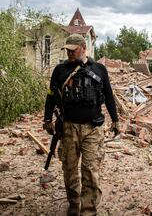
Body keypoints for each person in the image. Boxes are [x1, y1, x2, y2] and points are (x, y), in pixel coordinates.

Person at [43, 33, 119, 216]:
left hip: (93, 128)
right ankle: (74, 203)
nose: (69, 53)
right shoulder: (59, 71)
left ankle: (88, 209)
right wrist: (47, 119)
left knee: (90, 170)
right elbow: (51, 96)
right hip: (68, 128)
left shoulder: (99, 69)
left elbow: (109, 96)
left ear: (83, 48)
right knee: (69, 169)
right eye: (67, 50)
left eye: (73, 50)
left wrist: (116, 120)